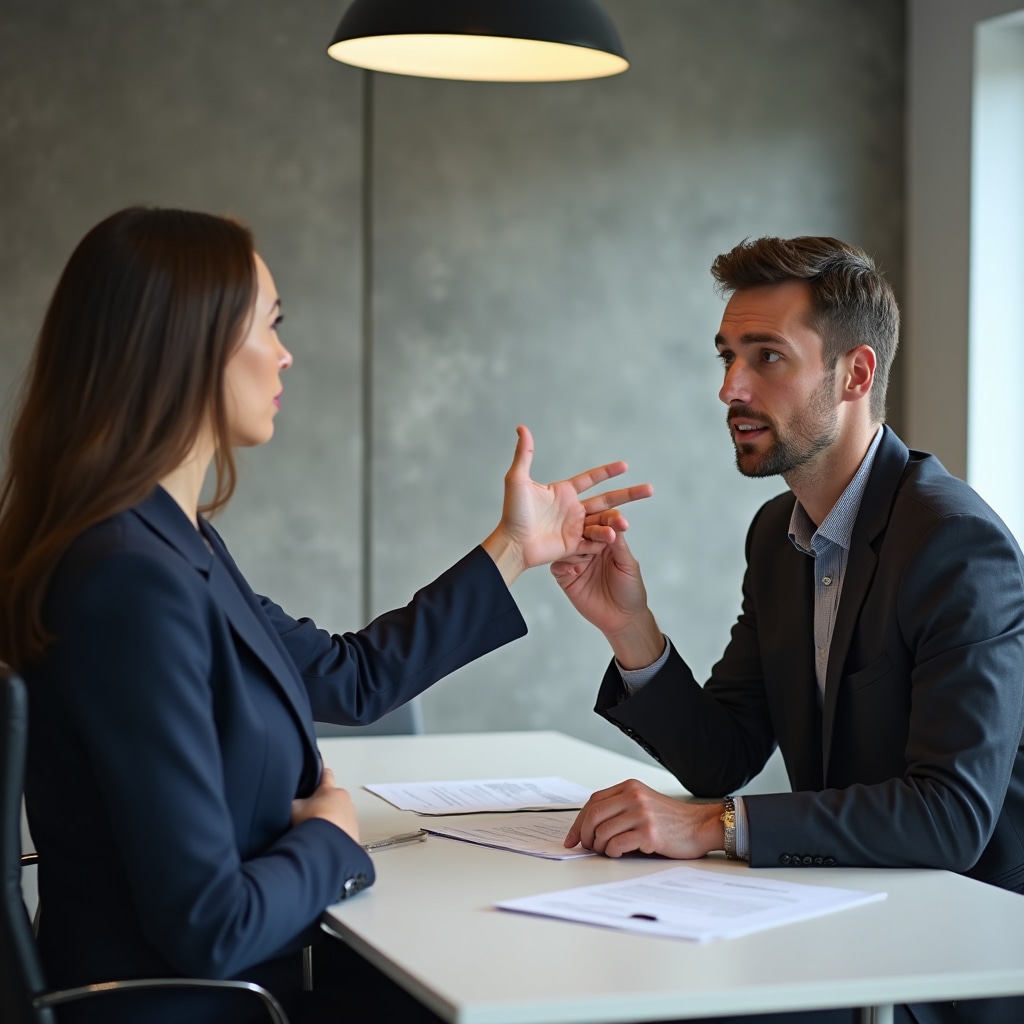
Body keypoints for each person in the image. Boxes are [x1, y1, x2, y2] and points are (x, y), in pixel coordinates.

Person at [0, 206, 652, 1024]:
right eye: (268, 325)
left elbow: (350, 677)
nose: (285, 353)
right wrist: (330, 839)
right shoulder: (129, 580)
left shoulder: (169, 541)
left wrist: (515, 550)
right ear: (188, 345)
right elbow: (212, 927)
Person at [552, 236, 1024, 1024]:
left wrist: (714, 825)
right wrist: (630, 626)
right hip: (841, 917)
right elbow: (726, 753)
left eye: (766, 357)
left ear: (856, 374)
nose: (729, 387)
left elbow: (950, 817)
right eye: (727, 357)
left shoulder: (954, 544)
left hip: (952, 964)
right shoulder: (779, 533)